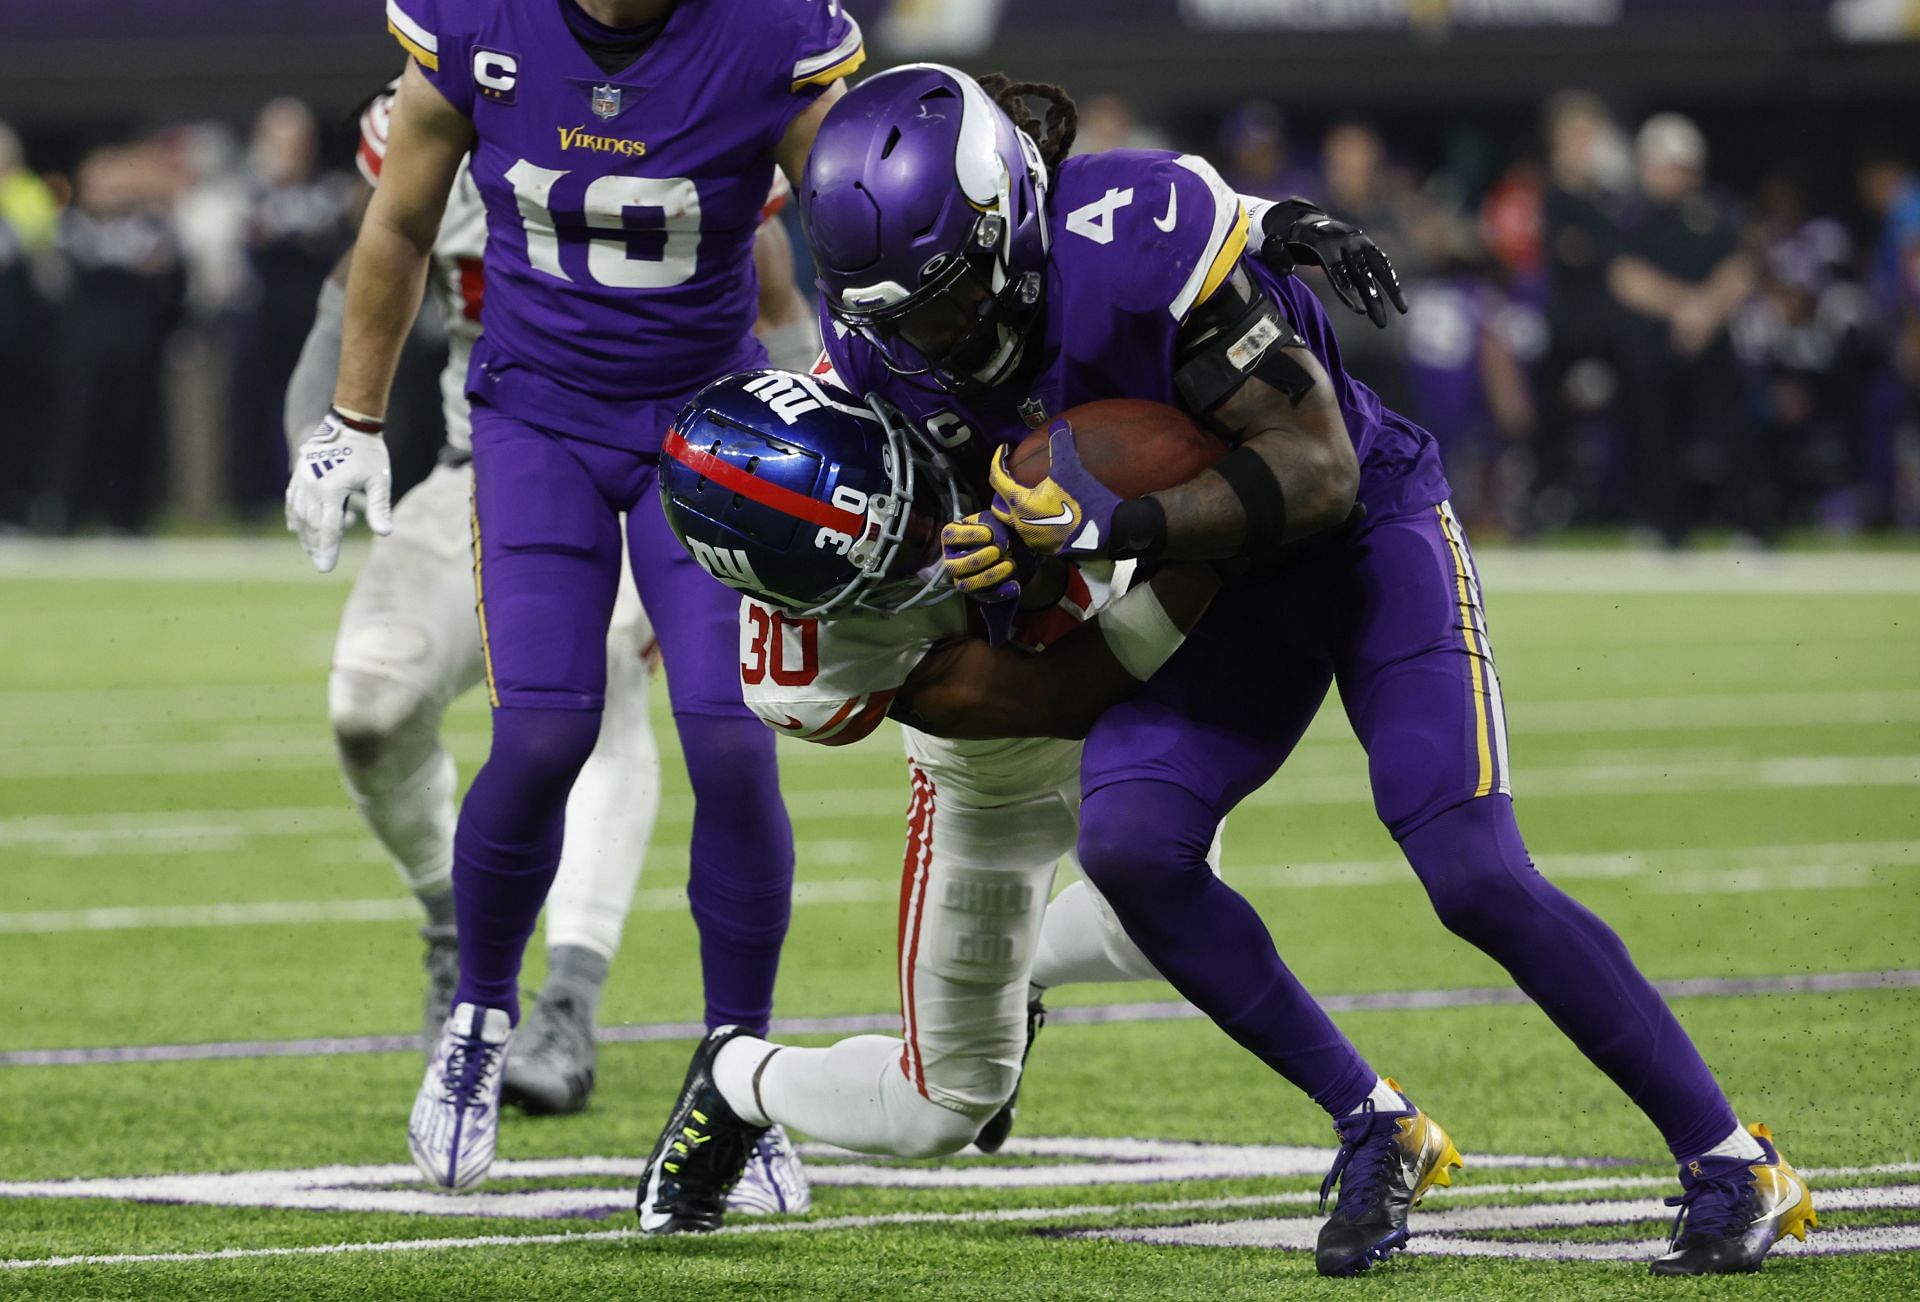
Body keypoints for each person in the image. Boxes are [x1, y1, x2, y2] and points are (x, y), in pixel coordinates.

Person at [797, 64, 1814, 1277]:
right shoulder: (887, 346)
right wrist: (986, 557)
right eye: (901, 316)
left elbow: (1319, 468)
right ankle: (1375, 1120)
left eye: (949, 301)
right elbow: (1011, 536)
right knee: (1130, 848)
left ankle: (1730, 1161)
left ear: (1008, 220)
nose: (929, 339)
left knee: (1470, 868)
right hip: (1217, 591)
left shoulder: (1132, 240)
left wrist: (1108, 526)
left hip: (1365, 535)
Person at [631, 369, 1435, 1241]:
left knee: (1155, 932)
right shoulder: (806, 668)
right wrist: (1212, 554)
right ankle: (738, 1077)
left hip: (1129, 707)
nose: (930, 543)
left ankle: (1032, 978)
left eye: (913, 512)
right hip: (990, 780)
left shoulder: (900, 368)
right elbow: (1061, 694)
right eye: (892, 559)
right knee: (939, 1110)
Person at [282, 0, 865, 1194]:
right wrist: (348, 421)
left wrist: (867, 411)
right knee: (543, 731)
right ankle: (480, 1024)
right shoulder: (476, 21)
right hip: (534, 416)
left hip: (704, 427)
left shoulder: (769, 32)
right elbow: (393, 227)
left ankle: (738, 1075)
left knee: (733, 745)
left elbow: (859, 238)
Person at [1607, 113, 1758, 546]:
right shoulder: (1630, 214)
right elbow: (1625, 277)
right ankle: (1665, 527)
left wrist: (1705, 312)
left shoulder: (1717, 210)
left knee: (1733, 431)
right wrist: (1685, 307)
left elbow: (1740, 268)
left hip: (1711, 338)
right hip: (1654, 344)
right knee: (1655, 437)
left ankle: (1749, 525)